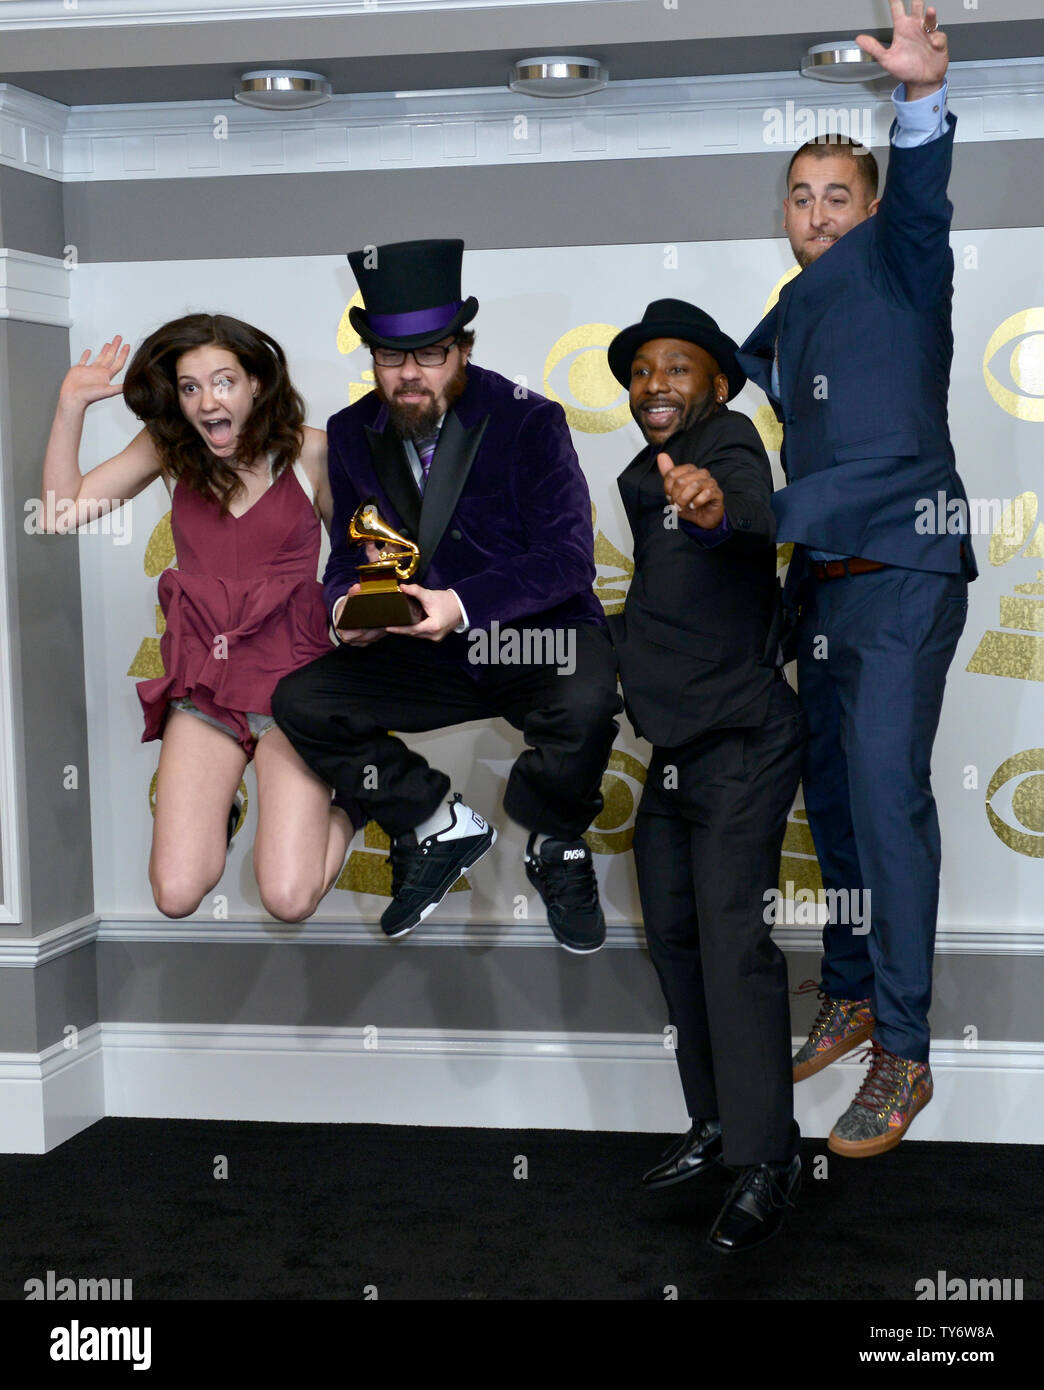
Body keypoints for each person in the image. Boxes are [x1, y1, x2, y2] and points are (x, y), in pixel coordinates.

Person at [737, 1, 976, 1156]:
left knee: (884, 802)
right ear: (783, 214)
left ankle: (905, 1049)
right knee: (827, 800)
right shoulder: (783, 315)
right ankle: (845, 988)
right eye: (802, 195)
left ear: (872, 209)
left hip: (905, 568)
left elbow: (924, 183)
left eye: (841, 193)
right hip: (823, 588)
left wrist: (920, 96)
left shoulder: (903, 256)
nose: (821, 212)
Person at [271, 238, 621, 950]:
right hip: (423, 653)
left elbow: (565, 559)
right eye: (391, 357)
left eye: (429, 354)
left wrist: (459, 603)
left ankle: (554, 839)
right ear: (371, 357)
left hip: (530, 638)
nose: (408, 374)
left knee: (588, 697)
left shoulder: (531, 418)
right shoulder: (348, 432)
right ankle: (434, 822)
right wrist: (346, 612)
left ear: (462, 348)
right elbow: (347, 554)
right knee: (302, 701)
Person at [41, 314, 358, 922]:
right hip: (206, 685)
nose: (208, 400)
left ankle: (354, 808)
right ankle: (224, 811)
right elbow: (58, 513)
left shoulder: (314, 451)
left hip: (298, 688)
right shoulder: (169, 452)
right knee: (178, 893)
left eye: (223, 382)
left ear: (256, 384)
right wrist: (71, 405)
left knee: (289, 899)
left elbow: (357, 566)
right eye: (190, 387)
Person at [607, 300, 806, 1252]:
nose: (655, 384)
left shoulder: (724, 450)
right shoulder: (645, 482)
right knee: (678, 938)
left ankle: (770, 1161)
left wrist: (713, 506)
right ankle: (720, 1121)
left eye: (676, 368)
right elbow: (663, 614)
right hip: (678, 755)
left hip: (744, 740)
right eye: (642, 370)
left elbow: (748, 513)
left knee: (732, 945)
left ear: (717, 382)